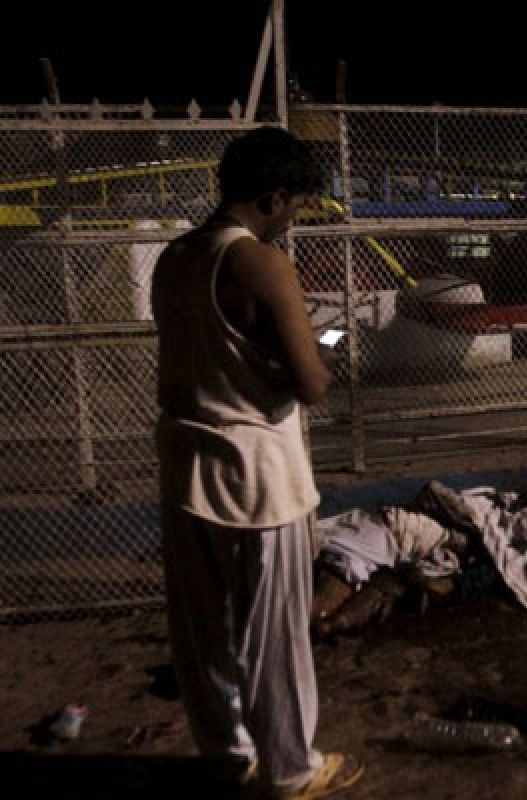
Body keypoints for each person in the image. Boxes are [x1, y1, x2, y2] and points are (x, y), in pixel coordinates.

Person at [151, 127, 364, 798]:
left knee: (204, 632)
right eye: (296, 205)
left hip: (187, 468)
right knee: (274, 637)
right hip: (258, 479)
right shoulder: (262, 264)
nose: (295, 220)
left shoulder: (175, 257)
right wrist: (322, 351)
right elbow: (309, 384)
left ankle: (228, 755)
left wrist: (269, 360)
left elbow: (217, 355)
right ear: (273, 198)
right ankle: (293, 773)